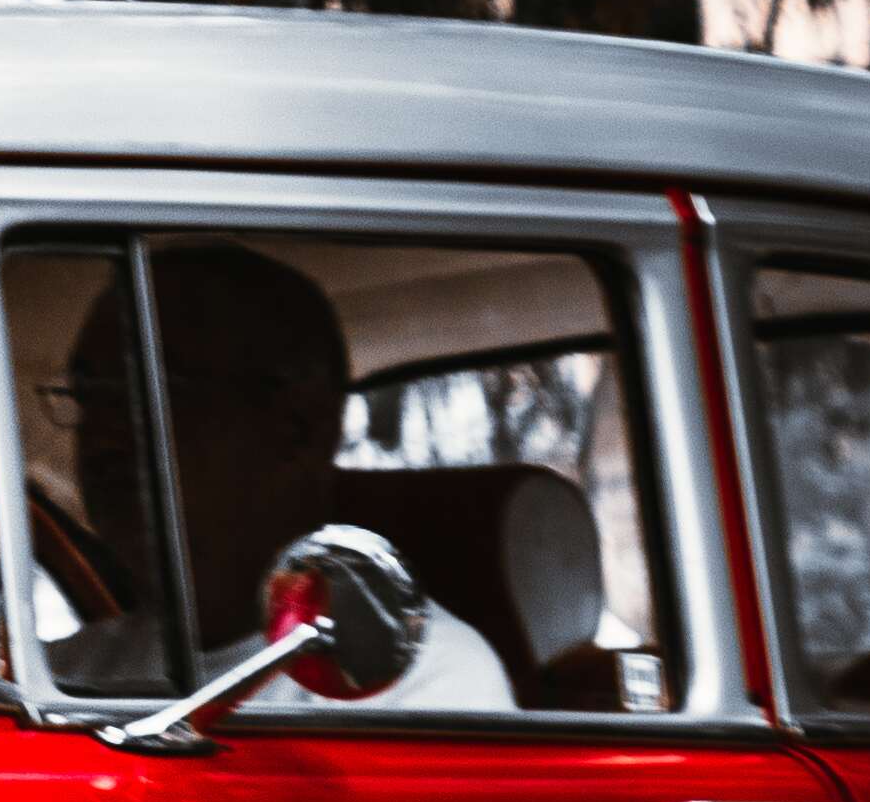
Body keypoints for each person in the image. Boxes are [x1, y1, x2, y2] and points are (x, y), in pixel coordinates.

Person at [49, 243, 519, 712]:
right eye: (90, 394)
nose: (103, 436)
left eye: (153, 390)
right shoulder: (65, 674)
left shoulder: (422, 683)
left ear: (297, 427)